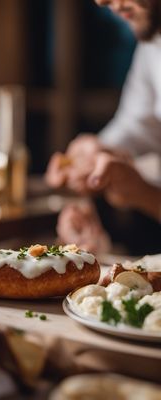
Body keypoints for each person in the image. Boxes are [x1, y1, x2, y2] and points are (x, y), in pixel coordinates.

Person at [46, 0, 161, 253]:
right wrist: (93, 155)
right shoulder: (154, 40)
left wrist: (145, 195)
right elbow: (137, 127)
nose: (101, 2)